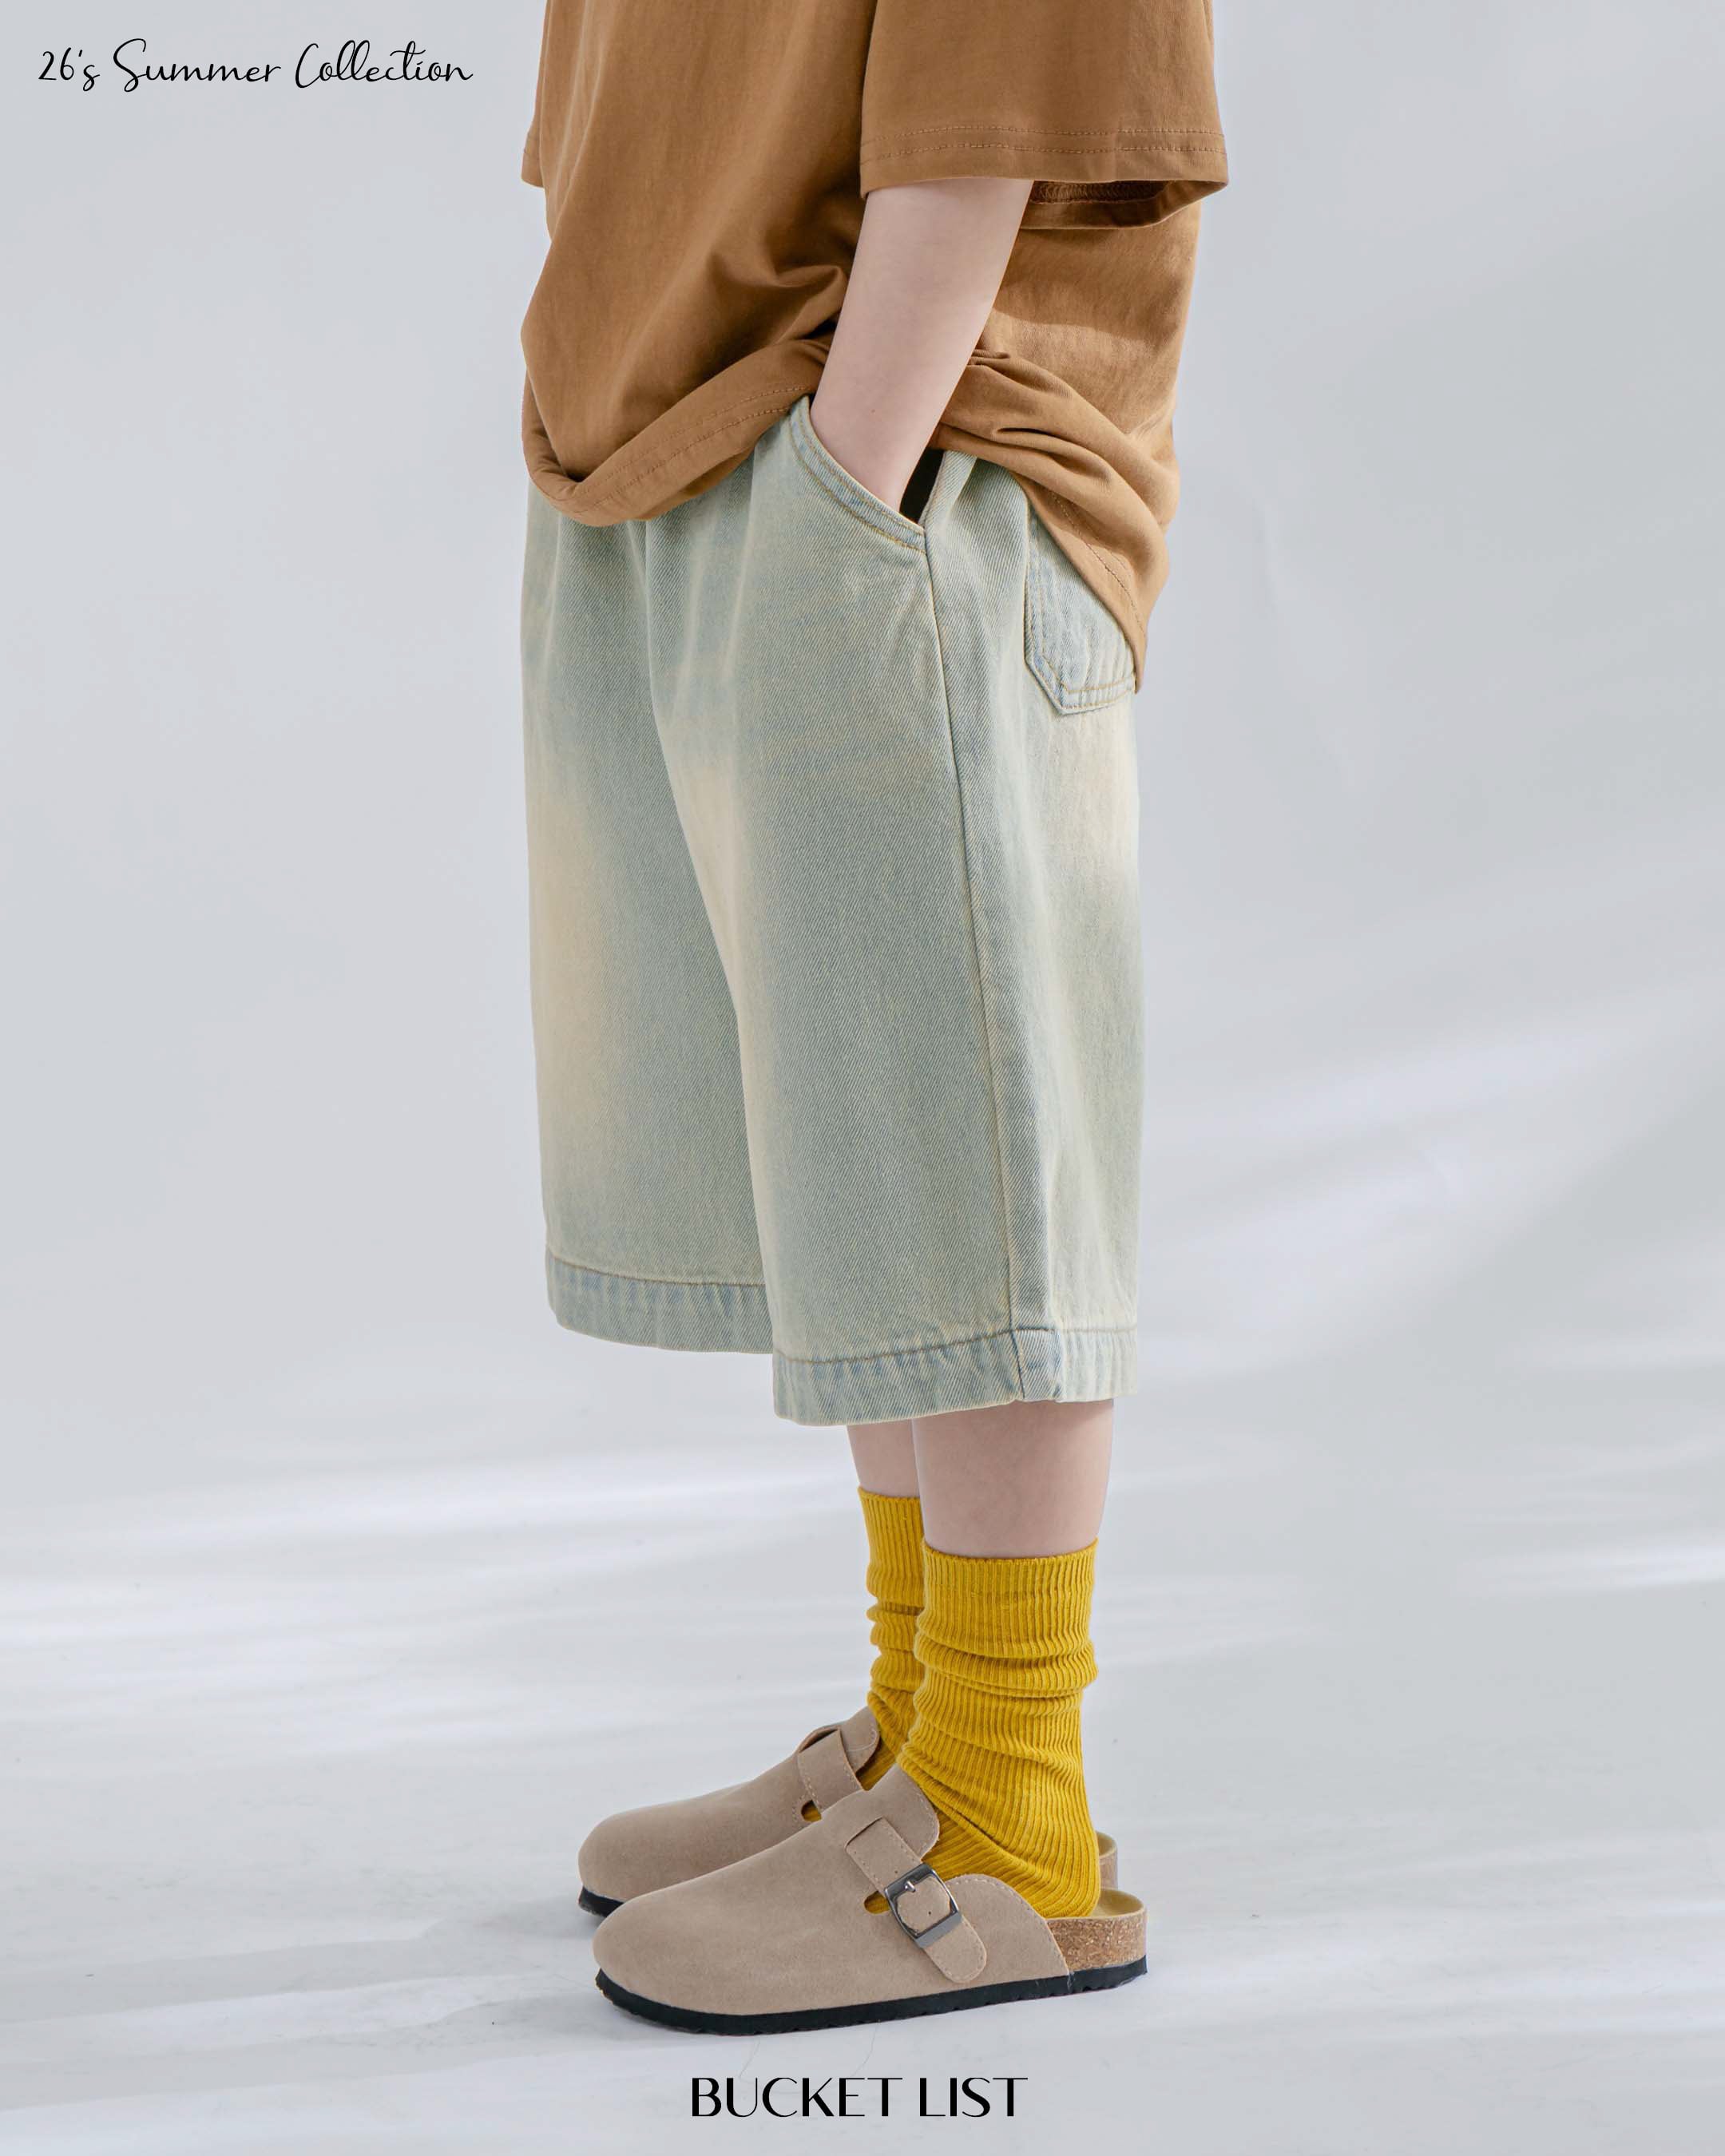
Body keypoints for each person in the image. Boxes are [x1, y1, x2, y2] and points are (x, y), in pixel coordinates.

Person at [518, 0, 1226, 2032]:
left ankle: (1003, 1812)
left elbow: (999, 96)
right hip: (685, 446)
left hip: (908, 445)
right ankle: (920, 1731)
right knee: (866, 1151)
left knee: (962, 1163)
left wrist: (854, 476)